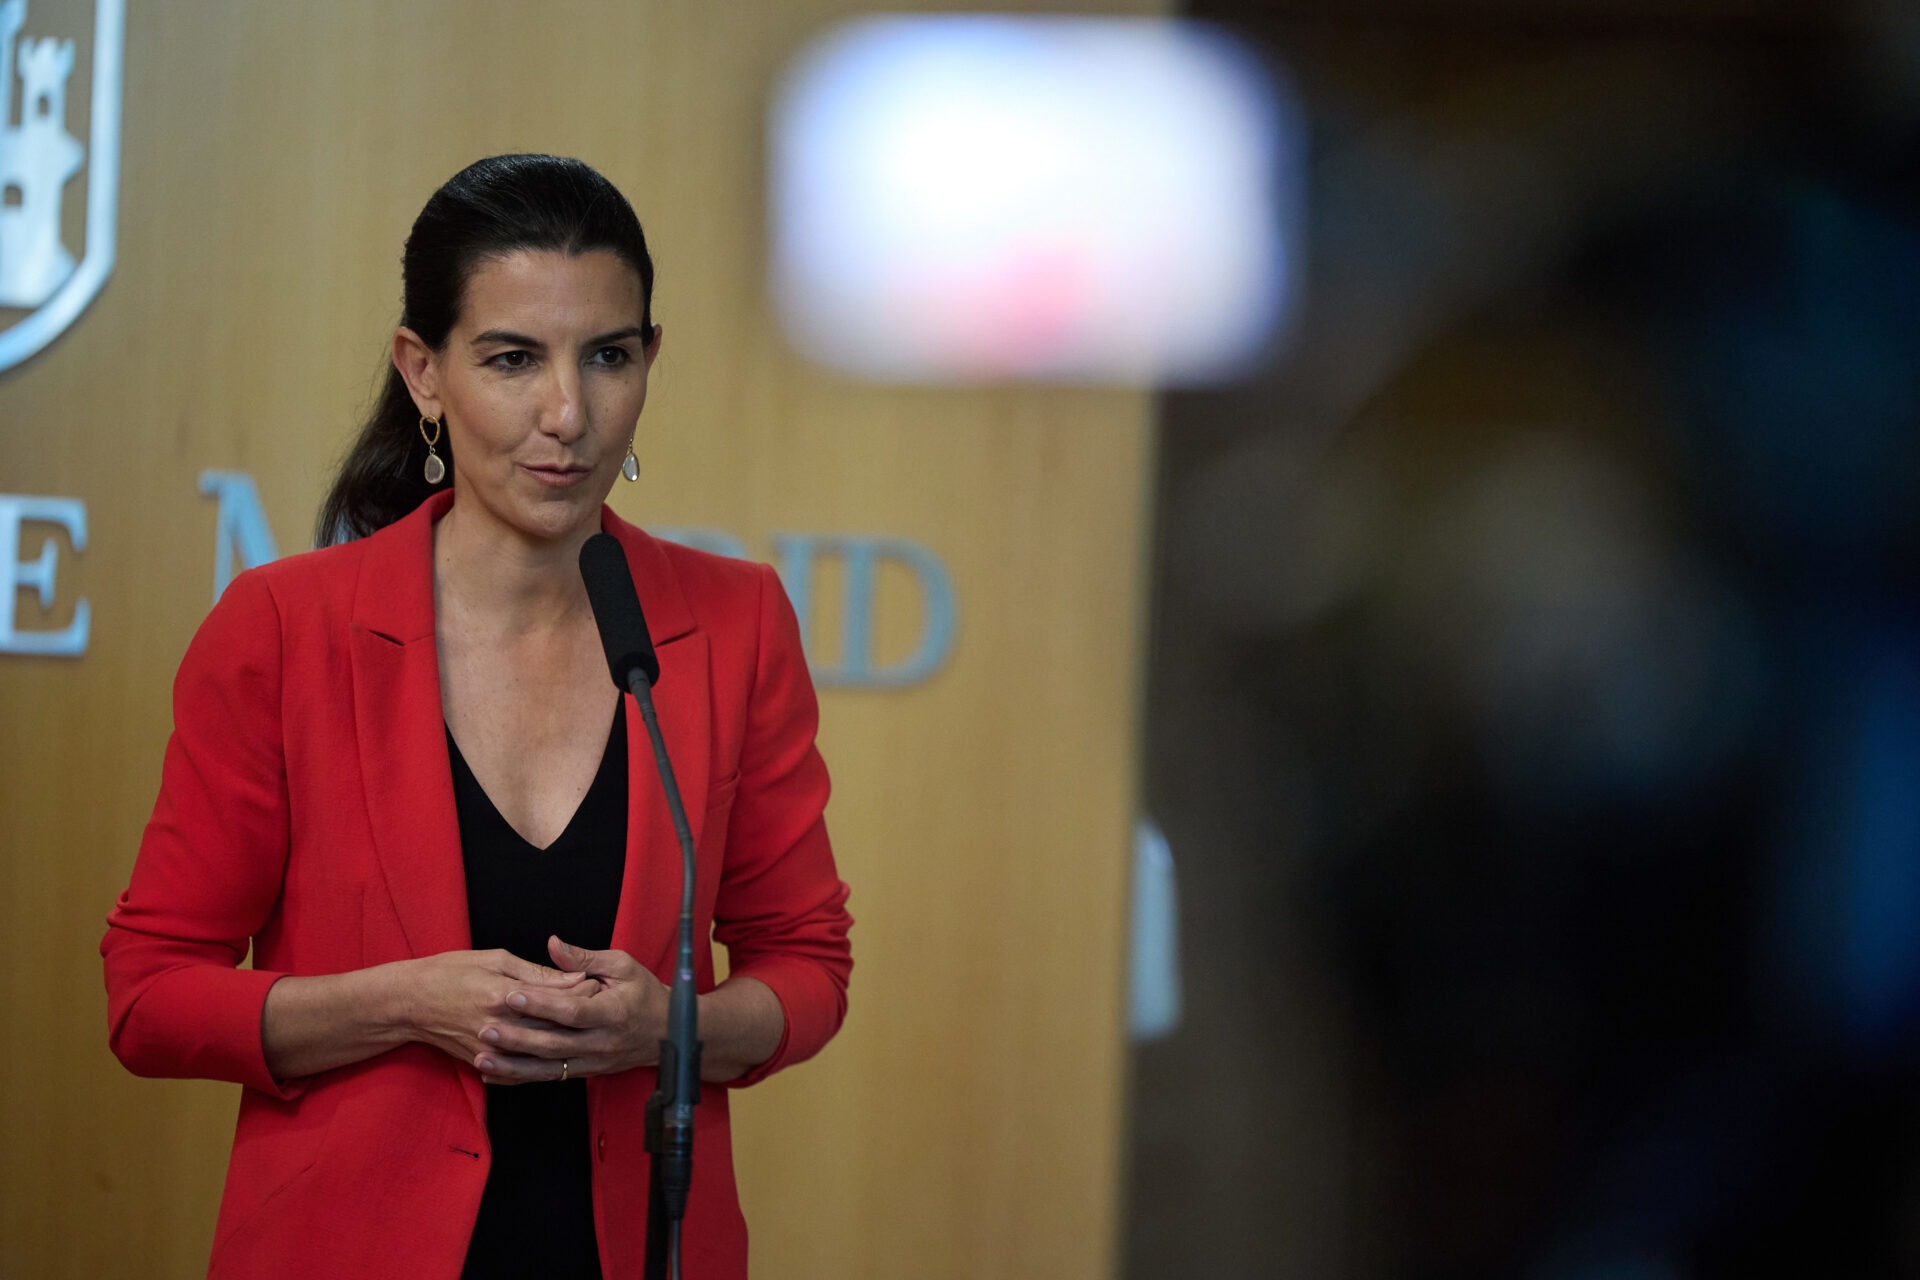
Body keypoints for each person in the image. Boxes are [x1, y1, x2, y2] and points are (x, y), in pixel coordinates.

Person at [101, 154, 853, 1280]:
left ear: (650, 361)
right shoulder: (284, 627)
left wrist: (666, 1028)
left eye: (608, 356)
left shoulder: (735, 621)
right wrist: (405, 1003)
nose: (568, 413)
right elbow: (150, 997)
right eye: (513, 359)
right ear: (424, 372)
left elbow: (807, 967)